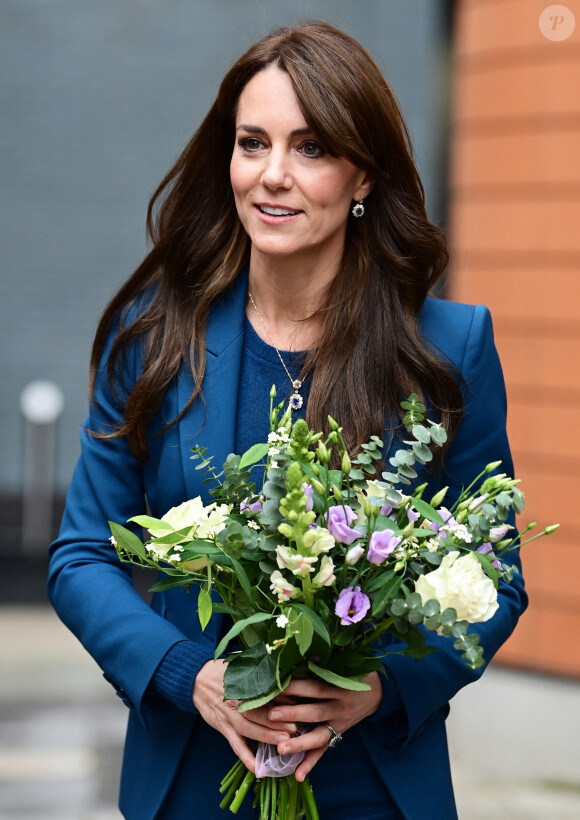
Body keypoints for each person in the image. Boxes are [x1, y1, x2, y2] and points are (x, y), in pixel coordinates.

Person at [48, 21, 527, 820]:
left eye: (310, 148)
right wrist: (182, 673)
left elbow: (496, 576)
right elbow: (79, 557)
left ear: (362, 174)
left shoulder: (449, 347)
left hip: (372, 784)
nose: (272, 176)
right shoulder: (155, 340)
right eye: (251, 143)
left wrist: (379, 689)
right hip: (194, 779)